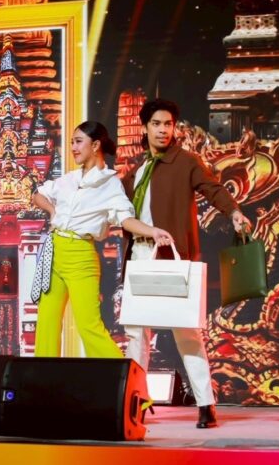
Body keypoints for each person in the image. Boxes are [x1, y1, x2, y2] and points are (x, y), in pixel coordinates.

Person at [121, 98, 252, 429]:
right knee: (136, 334)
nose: (163, 130)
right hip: (140, 255)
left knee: (187, 333)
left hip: (173, 256)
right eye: (156, 124)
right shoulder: (137, 170)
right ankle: (136, 403)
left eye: (168, 124)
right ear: (145, 127)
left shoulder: (186, 161)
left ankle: (206, 404)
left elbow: (212, 188)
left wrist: (233, 212)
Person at [31, 121, 174, 358]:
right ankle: (41, 379)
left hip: (81, 255)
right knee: (46, 322)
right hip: (53, 252)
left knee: (89, 326)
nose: (73, 148)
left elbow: (126, 219)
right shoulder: (68, 179)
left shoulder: (110, 184)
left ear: (96, 145)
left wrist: (152, 231)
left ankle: (123, 377)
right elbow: (38, 195)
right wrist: (52, 211)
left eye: (79, 142)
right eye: (72, 142)